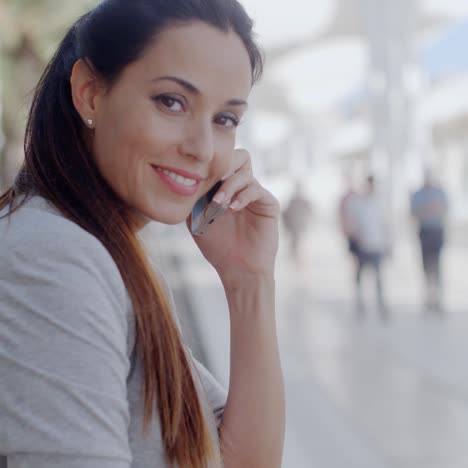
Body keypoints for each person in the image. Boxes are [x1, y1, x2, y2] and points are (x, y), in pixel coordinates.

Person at [0, 1, 285, 468]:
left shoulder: (113, 255)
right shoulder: (53, 258)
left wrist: (248, 278)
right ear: (90, 93)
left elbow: (241, 461)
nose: (202, 148)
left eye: (225, 119)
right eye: (172, 102)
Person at [410, 169, 449, 311]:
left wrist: (428, 210)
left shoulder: (440, 192)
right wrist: (430, 209)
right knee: (425, 265)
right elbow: (415, 212)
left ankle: (438, 298)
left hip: (437, 232)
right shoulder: (418, 194)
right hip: (424, 232)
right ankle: (428, 296)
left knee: (437, 265)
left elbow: (444, 209)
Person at [352, 175, 390, 318]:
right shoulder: (359, 203)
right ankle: (360, 302)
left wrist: (388, 244)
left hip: (377, 245)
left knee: (378, 275)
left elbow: (385, 225)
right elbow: (354, 223)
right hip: (362, 245)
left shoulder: (380, 203)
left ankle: (381, 304)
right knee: (360, 274)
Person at [281, 181, 313, 264]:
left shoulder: (303, 200)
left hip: (300, 225)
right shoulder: (292, 201)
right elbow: (285, 214)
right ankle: (295, 258)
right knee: (295, 242)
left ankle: (298, 258)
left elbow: (310, 211)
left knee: (298, 242)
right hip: (294, 226)